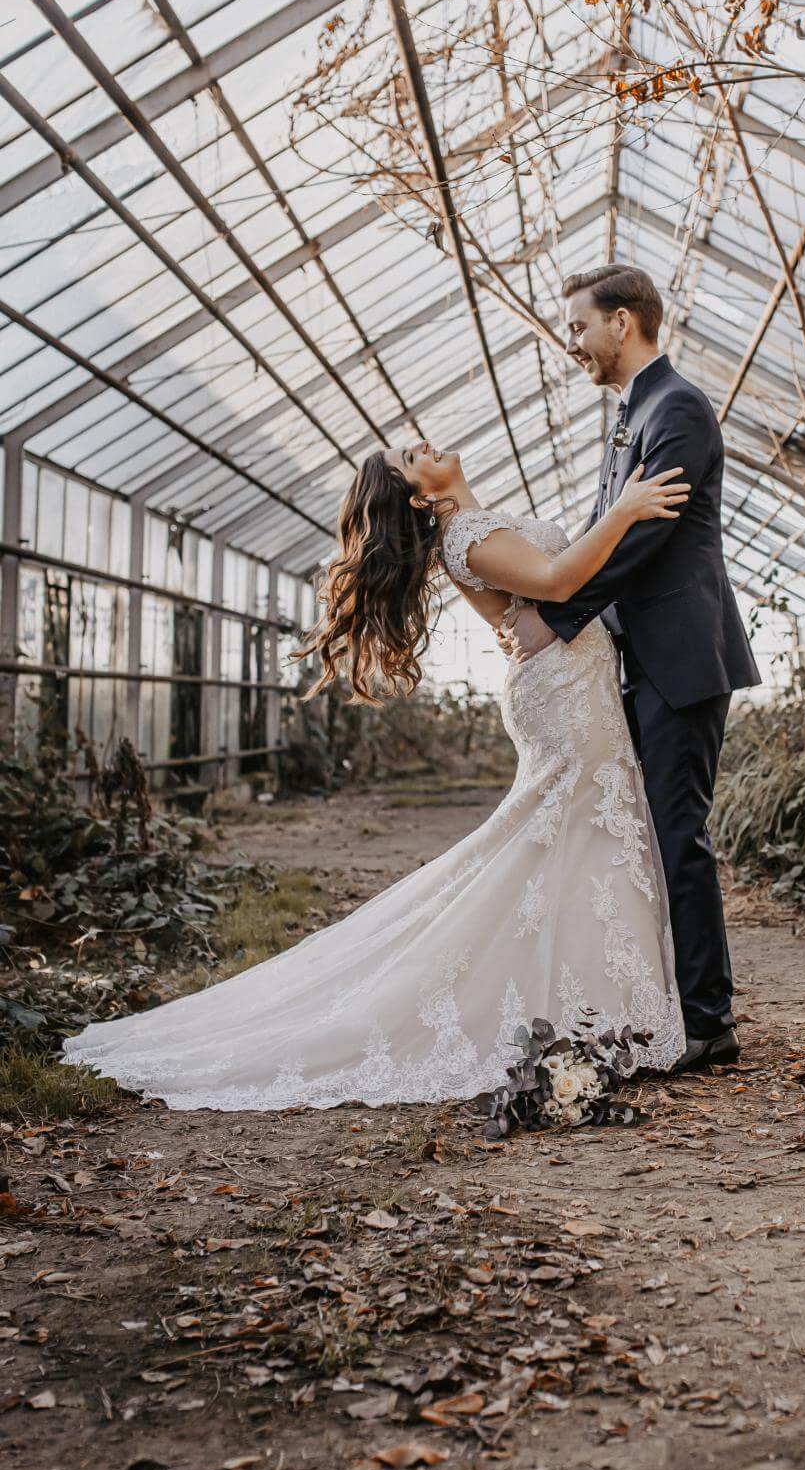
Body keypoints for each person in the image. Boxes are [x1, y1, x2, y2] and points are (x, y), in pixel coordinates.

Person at [60, 443, 690, 1110]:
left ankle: (599, 1000)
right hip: (565, 693)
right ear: (420, 496)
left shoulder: (472, 524)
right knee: (573, 834)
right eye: (409, 457)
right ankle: (594, 1008)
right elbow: (560, 581)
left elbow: (518, 612)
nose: (423, 445)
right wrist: (622, 512)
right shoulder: (466, 534)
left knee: (573, 840)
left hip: (566, 679)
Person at [502, 264, 761, 1071]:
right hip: (639, 656)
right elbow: (599, 527)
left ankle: (708, 1022)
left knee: (678, 834)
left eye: (578, 327)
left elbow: (645, 540)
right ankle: (671, 1005)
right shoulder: (634, 413)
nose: (570, 343)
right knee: (649, 832)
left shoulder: (675, 406)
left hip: (682, 657)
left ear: (622, 323)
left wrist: (562, 615)